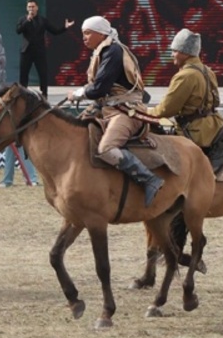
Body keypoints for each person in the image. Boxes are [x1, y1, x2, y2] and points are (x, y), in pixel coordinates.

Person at [68, 15, 161, 205]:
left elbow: (99, 88)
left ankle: (149, 179)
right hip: (108, 108)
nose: (84, 37)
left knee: (107, 148)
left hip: (126, 111)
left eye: (87, 33)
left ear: (100, 34)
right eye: (83, 33)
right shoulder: (102, 51)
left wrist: (78, 94)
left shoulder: (113, 51)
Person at [146, 29, 223, 170]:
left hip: (194, 132)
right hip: (214, 125)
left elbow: (166, 109)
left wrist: (145, 111)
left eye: (175, 51)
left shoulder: (185, 76)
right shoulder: (208, 71)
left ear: (185, 53)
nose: (172, 55)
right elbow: (216, 101)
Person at [16, 0, 75, 95]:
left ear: (37, 8)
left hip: (39, 51)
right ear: (27, 8)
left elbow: (55, 31)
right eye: (29, 7)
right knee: (24, 75)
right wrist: (27, 20)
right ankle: (22, 95)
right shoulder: (23, 19)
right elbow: (18, 31)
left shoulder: (42, 20)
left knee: (43, 74)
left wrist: (65, 27)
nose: (31, 9)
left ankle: (44, 95)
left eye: (33, 7)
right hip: (26, 51)